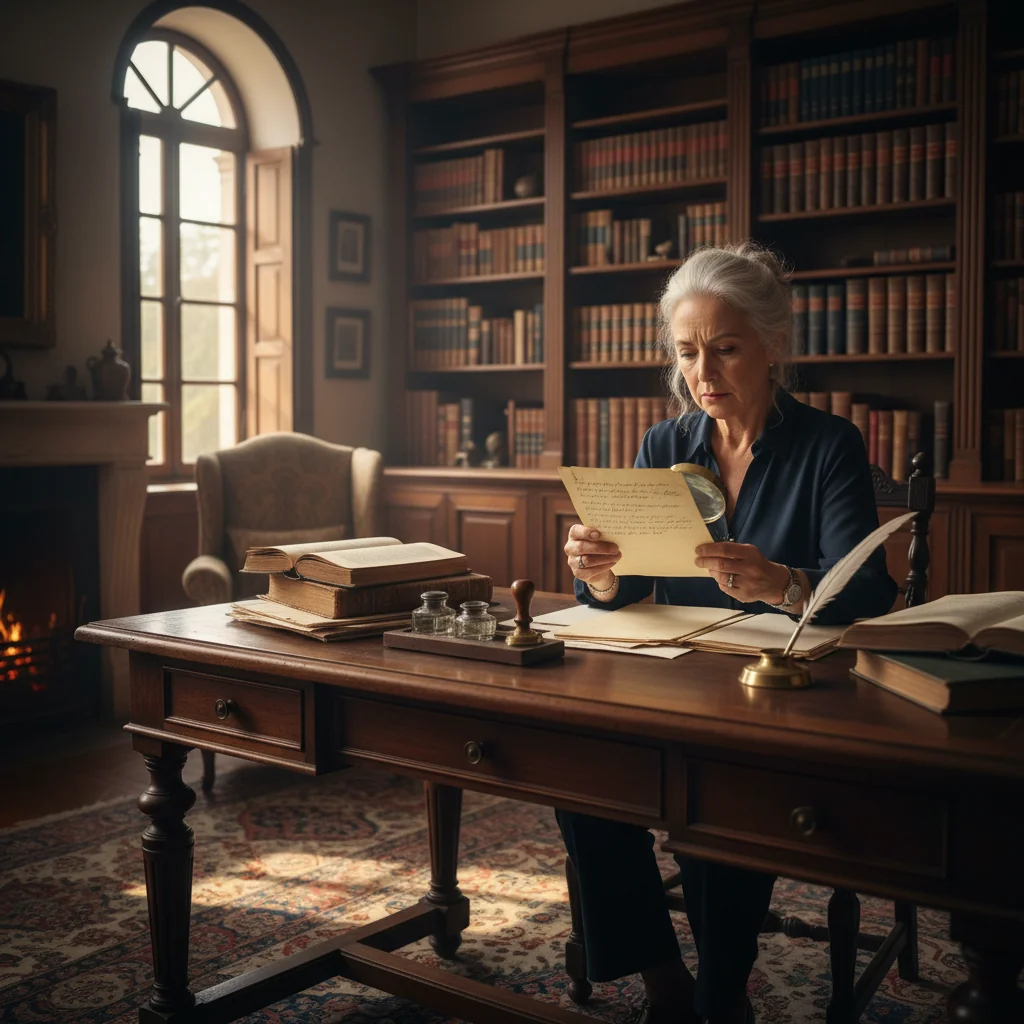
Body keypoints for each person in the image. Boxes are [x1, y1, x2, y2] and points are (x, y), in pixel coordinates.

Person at [559, 242, 897, 1024]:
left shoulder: (828, 446)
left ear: (774, 345)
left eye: (725, 348)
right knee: (578, 781)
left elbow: (868, 595)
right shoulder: (663, 444)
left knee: (718, 794)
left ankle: (721, 993)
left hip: (778, 690)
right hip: (667, 678)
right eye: (686, 354)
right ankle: (659, 975)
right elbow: (622, 590)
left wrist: (781, 583)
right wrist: (601, 572)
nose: (703, 374)